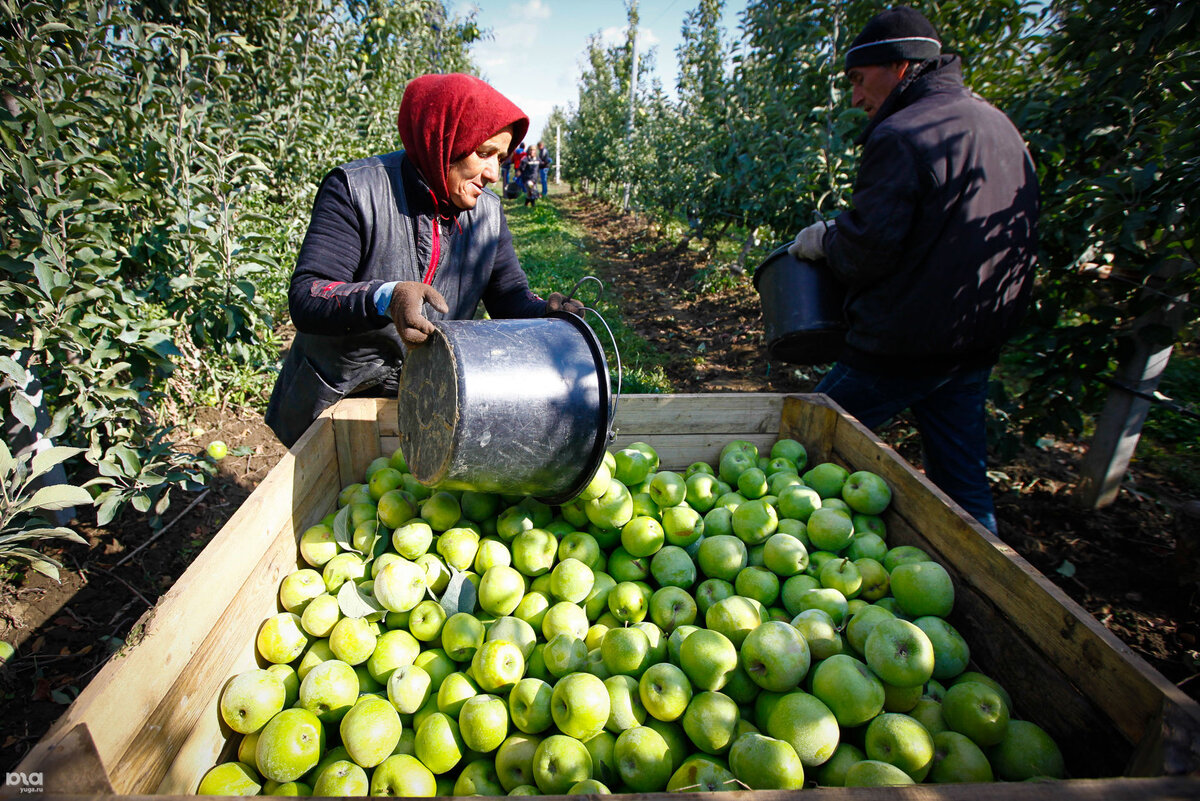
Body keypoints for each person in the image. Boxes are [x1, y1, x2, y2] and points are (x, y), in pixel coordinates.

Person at [788, 6, 1038, 534]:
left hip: (901, 344)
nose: (856, 98)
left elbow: (867, 250)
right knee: (964, 482)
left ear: (901, 66)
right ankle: (993, 590)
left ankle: (778, 543)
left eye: (858, 79)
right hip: (972, 344)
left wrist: (827, 238)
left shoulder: (902, 133)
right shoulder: (1001, 127)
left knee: (801, 448)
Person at [265, 73, 583, 447]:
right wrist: (386, 296)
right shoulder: (356, 189)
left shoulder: (487, 215)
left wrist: (543, 311)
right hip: (338, 400)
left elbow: (508, 295)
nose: (495, 174)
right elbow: (308, 295)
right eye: (483, 152)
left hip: (425, 397)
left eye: (502, 157)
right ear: (445, 140)